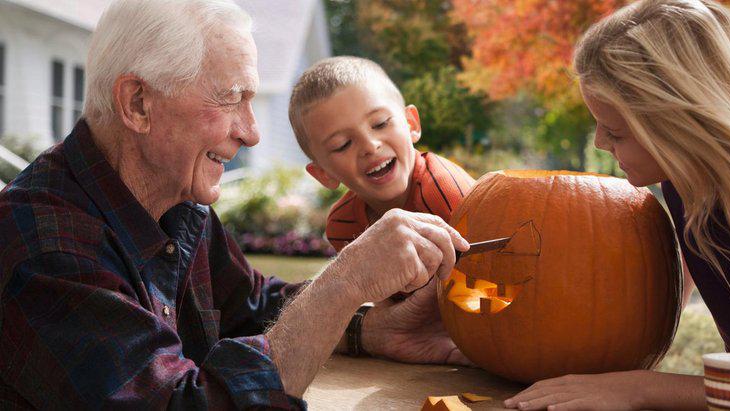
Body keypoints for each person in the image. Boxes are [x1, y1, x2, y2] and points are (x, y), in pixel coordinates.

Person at [0, 0, 471, 409]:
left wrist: (366, 328)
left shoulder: (179, 206)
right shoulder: (44, 249)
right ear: (138, 104)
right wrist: (344, 283)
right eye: (231, 98)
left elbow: (252, 307)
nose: (251, 132)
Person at [504, 0, 730, 409]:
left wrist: (641, 388)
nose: (599, 144)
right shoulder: (683, 186)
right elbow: (686, 274)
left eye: (615, 132)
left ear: (677, 125)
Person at [288, 56, 476, 253]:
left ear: (411, 123)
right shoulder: (343, 226)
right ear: (324, 174)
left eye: (380, 124)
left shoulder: (450, 196)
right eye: (342, 145)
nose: (370, 146)